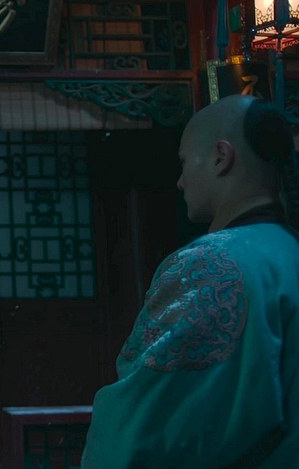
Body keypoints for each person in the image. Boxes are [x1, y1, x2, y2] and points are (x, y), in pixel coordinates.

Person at [81, 94, 299, 468]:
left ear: (221, 156)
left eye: (183, 162)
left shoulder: (210, 264)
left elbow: (146, 420)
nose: (180, 182)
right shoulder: (288, 251)